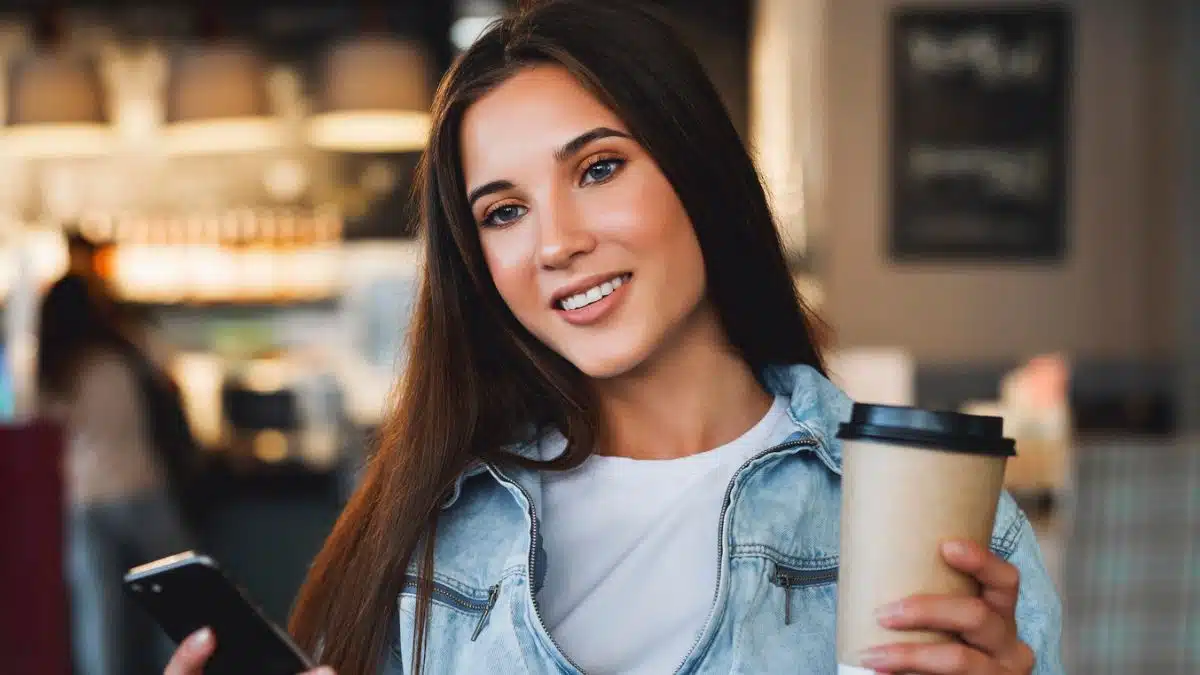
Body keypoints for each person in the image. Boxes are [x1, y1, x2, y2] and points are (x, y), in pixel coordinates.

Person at [168, 1, 1062, 673]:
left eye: (598, 168)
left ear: (694, 167)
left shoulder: (932, 515)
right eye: (505, 210)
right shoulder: (428, 525)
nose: (556, 242)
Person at [38, 273, 198, 675]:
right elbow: (170, 399)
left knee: (99, 618)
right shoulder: (122, 354)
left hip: (85, 497)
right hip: (140, 486)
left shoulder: (56, 370)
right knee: (181, 602)